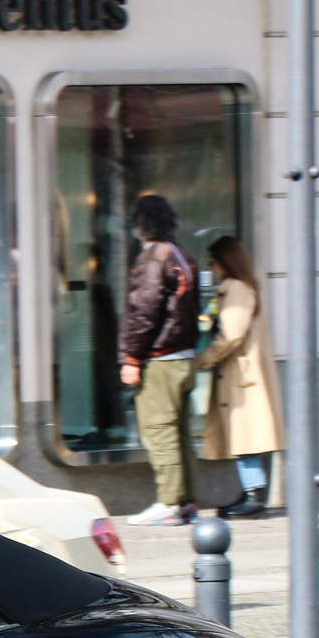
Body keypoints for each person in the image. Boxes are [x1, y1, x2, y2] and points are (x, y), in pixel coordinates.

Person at [117, 194, 202, 527]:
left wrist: (131, 357)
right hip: (184, 357)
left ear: (140, 225)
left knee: (158, 432)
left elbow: (144, 311)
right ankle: (186, 504)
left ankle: (168, 502)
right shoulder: (183, 255)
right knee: (179, 434)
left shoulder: (154, 257)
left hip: (160, 360)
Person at [198, 235, 283, 519]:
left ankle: (253, 495)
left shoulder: (235, 288)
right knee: (244, 438)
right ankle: (250, 492)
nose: (213, 267)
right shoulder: (245, 286)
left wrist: (204, 358)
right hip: (242, 376)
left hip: (241, 378)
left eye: (213, 261)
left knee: (245, 438)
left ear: (224, 261)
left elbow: (231, 335)